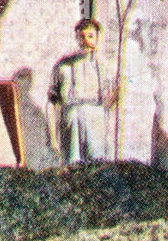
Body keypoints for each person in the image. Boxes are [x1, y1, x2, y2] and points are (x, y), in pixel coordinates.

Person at [48, 18, 117, 162]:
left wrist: (117, 93)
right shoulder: (63, 66)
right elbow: (52, 103)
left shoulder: (104, 68)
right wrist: (53, 138)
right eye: (81, 37)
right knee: (73, 167)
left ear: (98, 38)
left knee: (96, 165)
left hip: (95, 122)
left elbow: (110, 102)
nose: (86, 41)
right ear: (77, 38)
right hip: (71, 123)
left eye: (90, 36)